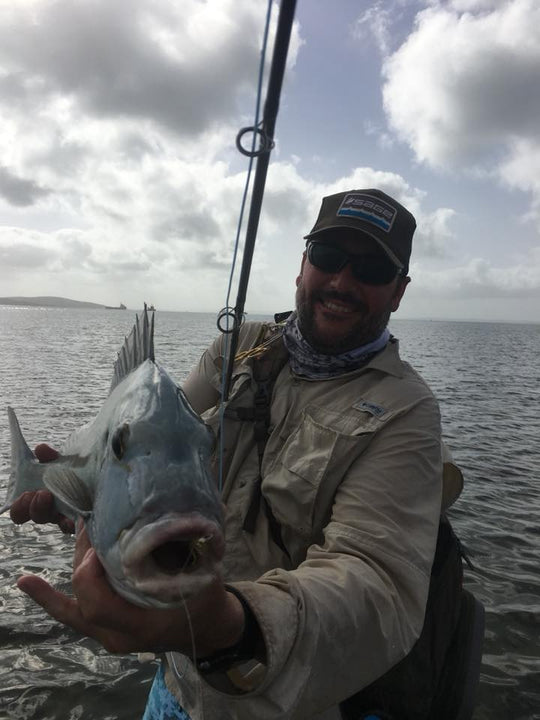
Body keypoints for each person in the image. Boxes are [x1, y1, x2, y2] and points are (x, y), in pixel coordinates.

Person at [10, 189, 464, 720]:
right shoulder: (237, 349)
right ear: (302, 265)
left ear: (399, 291)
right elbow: (149, 452)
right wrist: (84, 504)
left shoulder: (406, 411)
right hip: (179, 683)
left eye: (369, 267)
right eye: (327, 257)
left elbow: (378, 584)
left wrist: (228, 627)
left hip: (291, 703)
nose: (342, 280)